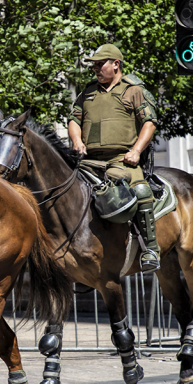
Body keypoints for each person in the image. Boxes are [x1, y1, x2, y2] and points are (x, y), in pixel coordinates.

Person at [68, 43, 160, 272]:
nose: (96, 69)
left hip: (122, 159)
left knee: (140, 190)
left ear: (116, 64)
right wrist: (77, 142)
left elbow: (149, 123)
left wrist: (137, 151)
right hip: (89, 160)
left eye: (100, 64)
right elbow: (74, 121)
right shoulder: (87, 92)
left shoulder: (133, 90)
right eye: (94, 66)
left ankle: (150, 249)